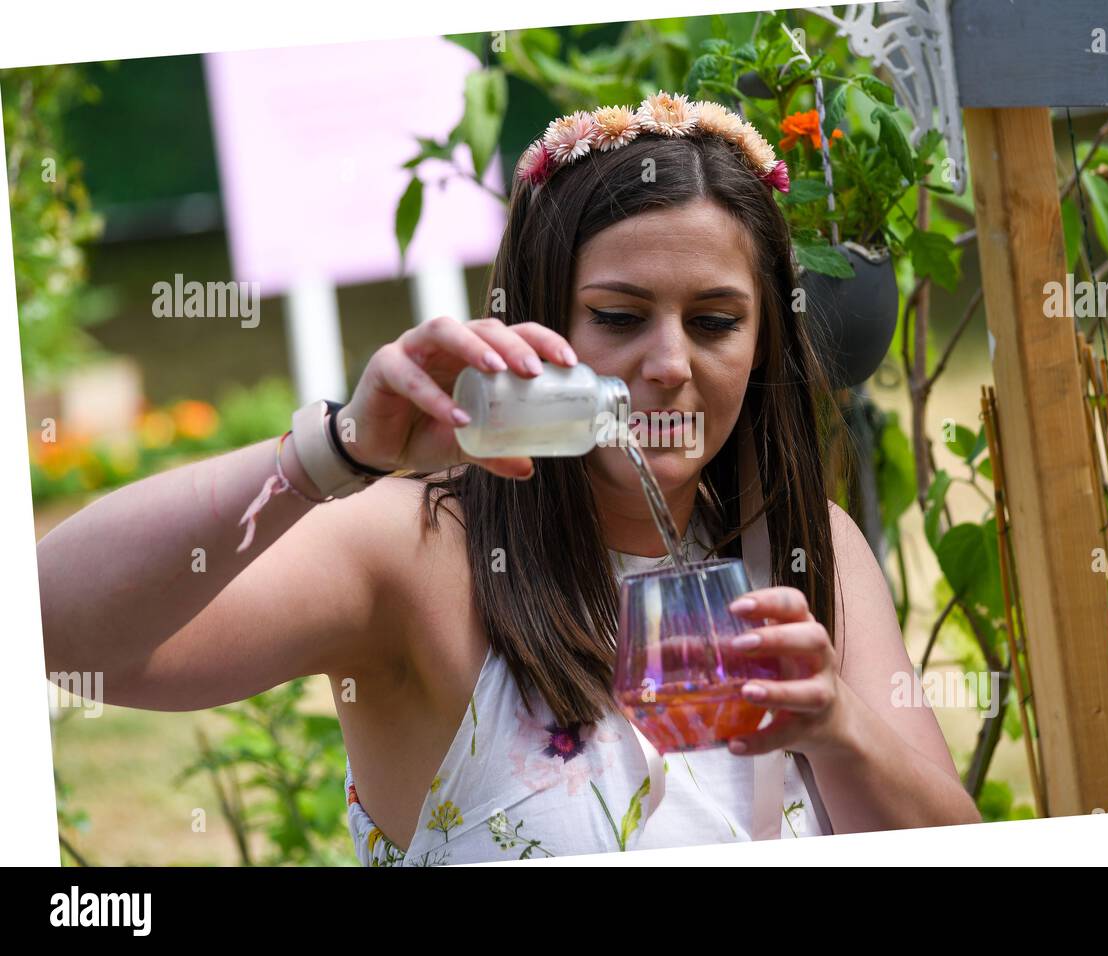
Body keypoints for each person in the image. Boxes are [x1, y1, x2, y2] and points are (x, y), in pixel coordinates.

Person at [39, 91, 981, 866]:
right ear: (538, 326)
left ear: (764, 337)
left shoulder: (803, 541)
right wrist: (336, 453)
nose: (668, 363)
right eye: (617, 316)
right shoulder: (420, 552)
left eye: (714, 321)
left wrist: (842, 729)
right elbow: (50, 625)